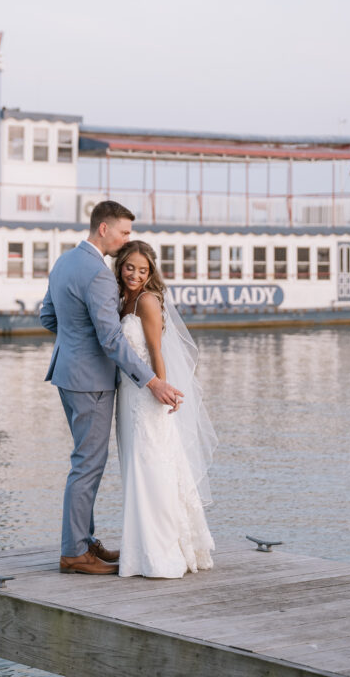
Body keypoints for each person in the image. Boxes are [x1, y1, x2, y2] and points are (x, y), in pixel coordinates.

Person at [41, 201, 184, 576]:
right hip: (92, 382)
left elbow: (47, 317)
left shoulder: (64, 262)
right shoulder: (100, 275)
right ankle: (74, 551)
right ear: (103, 229)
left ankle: (85, 540)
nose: (126, 241)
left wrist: (74, 346)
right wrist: (152, 380)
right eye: (123, 232)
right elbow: (109, 339)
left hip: (66, 375)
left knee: (85, 460)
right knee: (88, 463)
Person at [115, 240, 216, 578]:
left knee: (153, 468)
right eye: (130, 267)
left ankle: (160, 553)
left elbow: (156, 350)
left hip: (146, 397)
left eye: (143, 270)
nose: (135, 274)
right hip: (126, 395)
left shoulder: (146, 301)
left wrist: (162, 387)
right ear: (122, 266)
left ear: (151, 272)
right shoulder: (123, 300)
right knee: (135, 469)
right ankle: (138, 551)